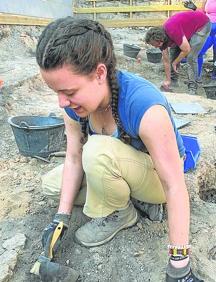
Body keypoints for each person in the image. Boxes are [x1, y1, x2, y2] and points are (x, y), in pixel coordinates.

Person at [36, 17, 203, 281]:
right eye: (56, 91)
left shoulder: (144, 105)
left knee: (97, 151)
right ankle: (122, 198)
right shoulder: (72, 106)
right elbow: (73, 158)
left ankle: (122, 212)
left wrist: (179, 265)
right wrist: (61, 218)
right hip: (117, 164)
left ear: (99, 73)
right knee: (52, 185)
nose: (61, 102)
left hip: (157, 180)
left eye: (68, 91)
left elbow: (174, 184)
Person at [145, 10, 211, 95]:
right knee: (174, 51)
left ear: (160, 41)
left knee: (191, 57)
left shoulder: (172, 30)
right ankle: (173, 81)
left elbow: (186, 49)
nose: (155, 47)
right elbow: (166, 60)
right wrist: (167, 80)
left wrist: (175, 62)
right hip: (187, 27)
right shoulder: (162, 38)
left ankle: (193, 86)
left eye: (155, 45)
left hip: (202, 24)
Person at [198, 0, 216, 79]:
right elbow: (203, 12)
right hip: (208, 28)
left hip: (214, 29)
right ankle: (197, 76)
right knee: (200, 52)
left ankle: (214, 73)